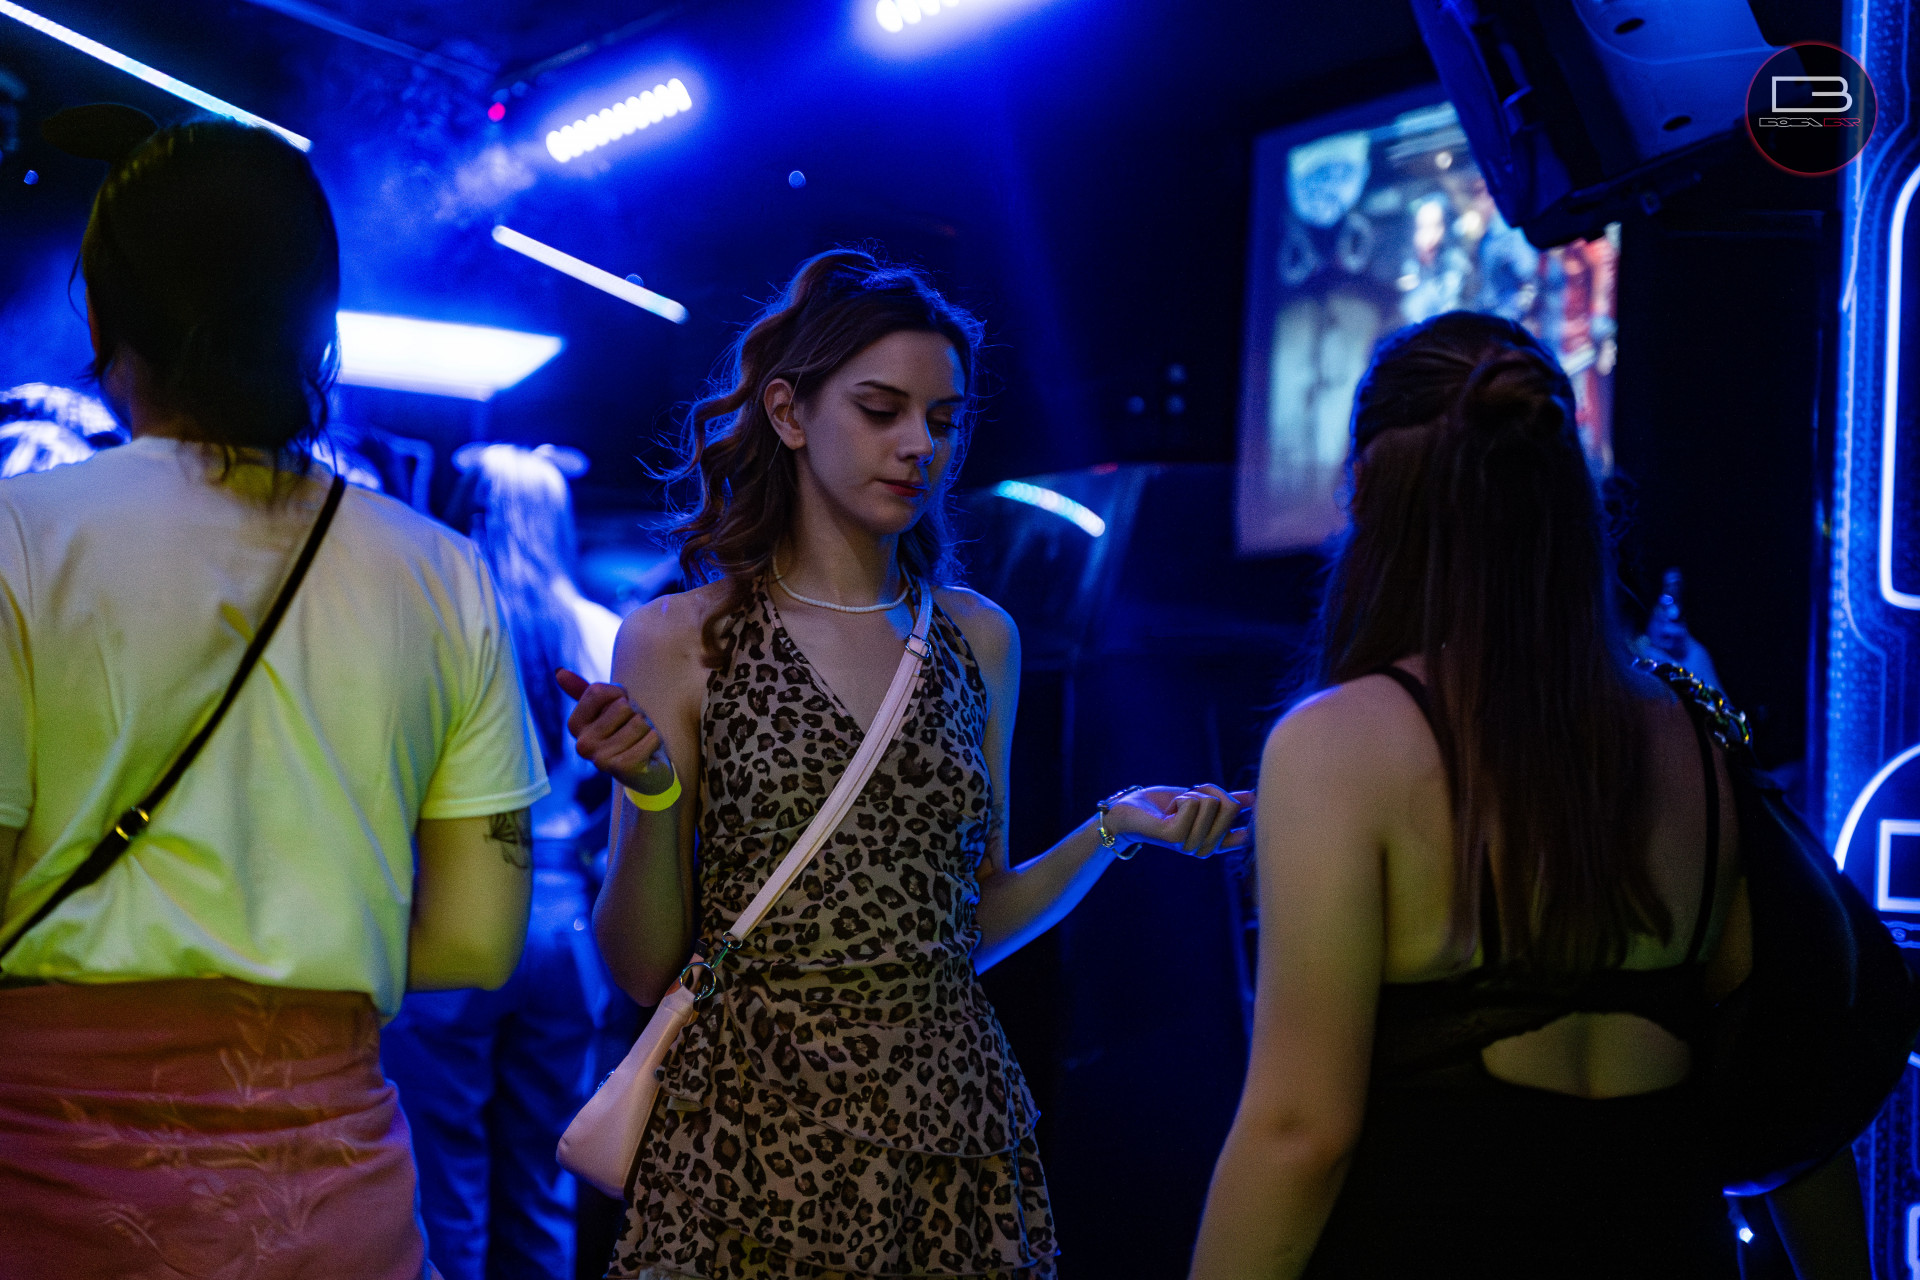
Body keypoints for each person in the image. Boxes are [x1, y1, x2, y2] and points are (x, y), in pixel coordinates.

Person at [559, 248, 1251, 1280]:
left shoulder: (979, 638)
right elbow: (640, 967)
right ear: (789, 413)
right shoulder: (680, 636)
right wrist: (654, 795)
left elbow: (963, 926)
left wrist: (1113, 829)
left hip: (950, 1132)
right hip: (748, 1139)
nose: (920, 445)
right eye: (881, 409)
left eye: (945, 419)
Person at [1187, 310, 1866, 1278]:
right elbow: (1783, 1063)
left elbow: (1301, 1132)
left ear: (1366, 489)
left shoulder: (1337, 745)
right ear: (1567, 494)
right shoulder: (1693, 734)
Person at [0, 110, 546, 1279]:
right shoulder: (441, 571)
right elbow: (476, 937)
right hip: (329, 1198)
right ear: (320, 323)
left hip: (56, 1187)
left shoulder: (17, 538)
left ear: (104, 317)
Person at [383, 441, 622, 1280]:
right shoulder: (603, 630)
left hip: (451, 905)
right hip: (566, 921)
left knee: (442, 1175)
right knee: (543, 1178)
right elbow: (635, 787)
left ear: (468, 513)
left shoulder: (435, 619)